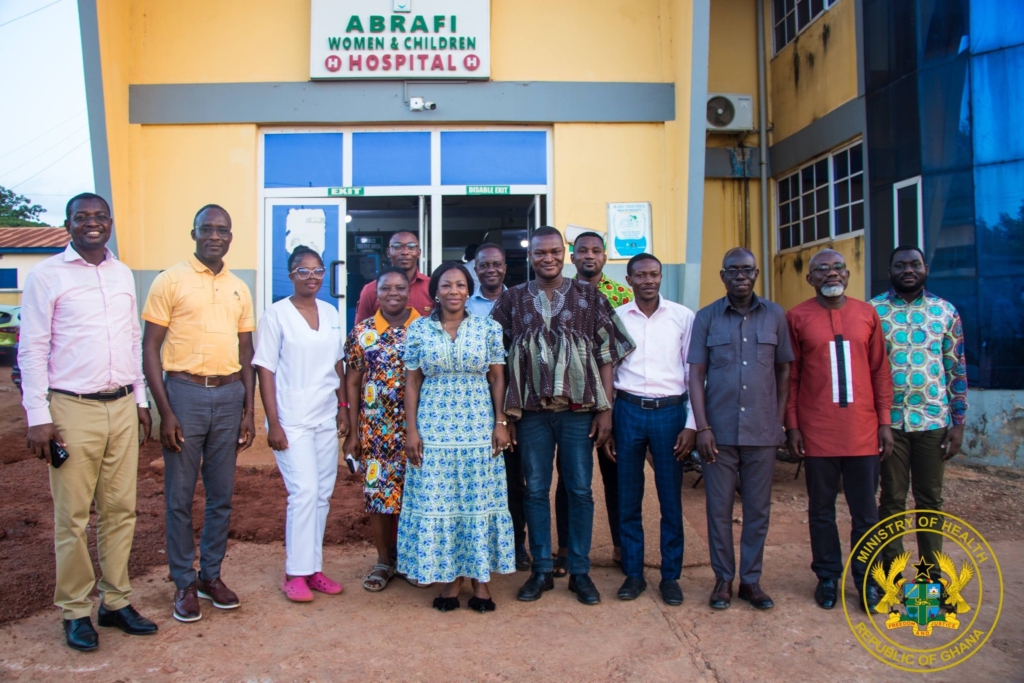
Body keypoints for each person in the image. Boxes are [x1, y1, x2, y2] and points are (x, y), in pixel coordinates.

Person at [19, 193, 157, 651]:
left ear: (111, 223)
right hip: (71, 408)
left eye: (99, 217)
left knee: (121, 510)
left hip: (120, 406)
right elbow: (32, 348)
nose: (92, 224)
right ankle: (75, 610)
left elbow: (131, 339)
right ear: (68, 225)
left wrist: (140, 400)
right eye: (83, 218)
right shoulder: (46, 276)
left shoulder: (121, 274)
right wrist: (38, 416)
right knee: (74, 517)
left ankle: (115, 602)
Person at [491, 226, 635, 606]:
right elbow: (496, 361)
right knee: (535, 489)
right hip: (532, 414)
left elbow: (607, 353)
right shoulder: (513, 300)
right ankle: (540, 569)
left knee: (580, 490)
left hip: (578, 412)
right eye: (541, 253)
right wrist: (506, 416)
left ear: (564, 253)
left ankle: (580, 571)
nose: (548, 258)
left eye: (555, 251)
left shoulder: (590, 296)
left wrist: (605, 408)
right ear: (531, 256)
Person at [142, 204, 257, 623]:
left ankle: (211, 576)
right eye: (207, 229)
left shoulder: (240, 287)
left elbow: (247, 352)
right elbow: (150, 347)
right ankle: (183, 583)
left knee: (221, 497)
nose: (215, 235)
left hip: (229, 397)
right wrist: (164, 410)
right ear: (193, 233)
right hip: (184, 394)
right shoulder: (169, 280)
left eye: (222, 230)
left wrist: (249, 409)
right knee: (179, 496)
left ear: (230, 236)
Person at [398, 262, 515, 612]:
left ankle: (481, 582)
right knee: (442, 501)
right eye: (447, 285)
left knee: (476, 501)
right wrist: (412, 429)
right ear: (436, 290)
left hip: (478, 424)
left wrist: (500, 422)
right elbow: (412, 382)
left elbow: (497, 378)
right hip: (434, 426)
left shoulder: (488, 328)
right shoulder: (419, 330)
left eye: (461, 285)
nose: (454, 291)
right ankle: (449, 580)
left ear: (468, 290)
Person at [785, 249, 894, 613]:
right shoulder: (797, 317)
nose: (830, 274)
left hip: (863, 431)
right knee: (821, 510)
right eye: (821, 270)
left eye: (837, 268)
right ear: (810, 278)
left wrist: (884, 422)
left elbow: (879, 370)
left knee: (865, 513)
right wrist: (793, 426)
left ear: (847, 275)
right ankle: (827, 576)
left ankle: (866, 579)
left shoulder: (867, 314)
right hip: (818, 433)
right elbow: (792, 376)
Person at [688, 248, 793, 611]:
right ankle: (723, 580)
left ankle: (751, 580)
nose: (740, 276)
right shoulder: (707, 318)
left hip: (761, 432)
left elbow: (783, 370)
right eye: (733, 270)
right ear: (722, 275)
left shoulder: (775, 315)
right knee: (718, 508)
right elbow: (696, 374)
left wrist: (777, 420)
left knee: (758, 509)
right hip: (719, 432)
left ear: (756, 272)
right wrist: (702, 427)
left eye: (747, 270)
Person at [253, 246, 349, 602]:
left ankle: (314, 569)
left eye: (318, 270)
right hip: (291, 419)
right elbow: (265, 369)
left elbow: (338, 362)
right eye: (303, 271)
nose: (312, 277)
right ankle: (294, 572)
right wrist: (272, 423)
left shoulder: (330, 311)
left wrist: (342, 405)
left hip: (325, 415)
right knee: (304, 492)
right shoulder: (276, 315)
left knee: (322, 494)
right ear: (290, 275)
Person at [870, 246, 968, 578]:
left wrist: (959, 423)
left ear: (926, 268)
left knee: (930, 501)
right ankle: (892, 575)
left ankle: (931, 575)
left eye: (914, 264)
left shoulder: (946, 312)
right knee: (892, 500)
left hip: (934, 422)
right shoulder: (874, 312)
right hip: (890, 423)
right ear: (890, 271)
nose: (908, 269)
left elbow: (956, 370)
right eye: (900, 265)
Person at [609, 253, 696, 606]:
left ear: (661, 277)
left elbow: (693, 374)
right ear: (628, 280)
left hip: (671, 414)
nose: (648, 280)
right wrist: (610, 422)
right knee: (628, 498)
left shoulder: (682, 317)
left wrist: (691, 423)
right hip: (628, 411)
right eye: (640, 275)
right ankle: (633, 574)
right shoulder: (617, 318)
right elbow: (610, 374)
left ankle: (670, 576)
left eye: (654, 274)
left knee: (670, 499)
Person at [552, 231, 634, 575]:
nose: (589, 255)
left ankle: (620, 548)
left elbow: (621, 351)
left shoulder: (624, 295)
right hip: (575, 401)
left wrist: (610, 405)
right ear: (572, 257)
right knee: (571, 478)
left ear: (605, 257)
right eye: (582, 250)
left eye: (596, 250)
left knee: (617, 476)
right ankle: (565, 549)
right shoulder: (561, 293)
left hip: (615, 397)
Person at [343, 267, 420, 591]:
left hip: (417, 429)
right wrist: (352, 431)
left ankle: (411, 559)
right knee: (379, 497)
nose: (393, 293)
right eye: (385, 288)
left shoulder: (425, 329)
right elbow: (353, 381)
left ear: (408, 292)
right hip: (375, 431)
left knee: (416, 496)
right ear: (375, 293)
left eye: (400, 288)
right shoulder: (362, 332)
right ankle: (383, 560)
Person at [464, 243, 529, 570]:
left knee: (515, 481)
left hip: (514, 406)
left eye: (497, 264)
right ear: (476, 270)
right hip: (475, 410)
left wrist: (509, 414)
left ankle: (517, 545)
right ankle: (481, 548)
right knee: (480, 482)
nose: (491, 270)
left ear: (506, 267)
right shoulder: (464, 304)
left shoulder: (520, 300)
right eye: (484, 265)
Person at [355, 230, 432, 320]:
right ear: (388, 252)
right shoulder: (370, 290)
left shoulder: (432, 287)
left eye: (411, 247)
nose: (405, 252)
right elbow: (361, 330)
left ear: (418, 252)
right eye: (397, 247)